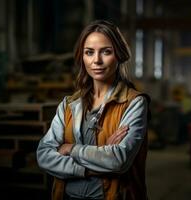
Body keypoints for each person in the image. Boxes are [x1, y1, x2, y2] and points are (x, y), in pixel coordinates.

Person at [36, 20, 150, 200]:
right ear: (82, 57)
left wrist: (71, 148)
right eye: (89, 52)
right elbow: (43, 156)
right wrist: (97, 157)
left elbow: (118, 160)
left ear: (118, 55)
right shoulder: (68, 105)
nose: (96, 60)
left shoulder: (134, 103)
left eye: (106, 52)